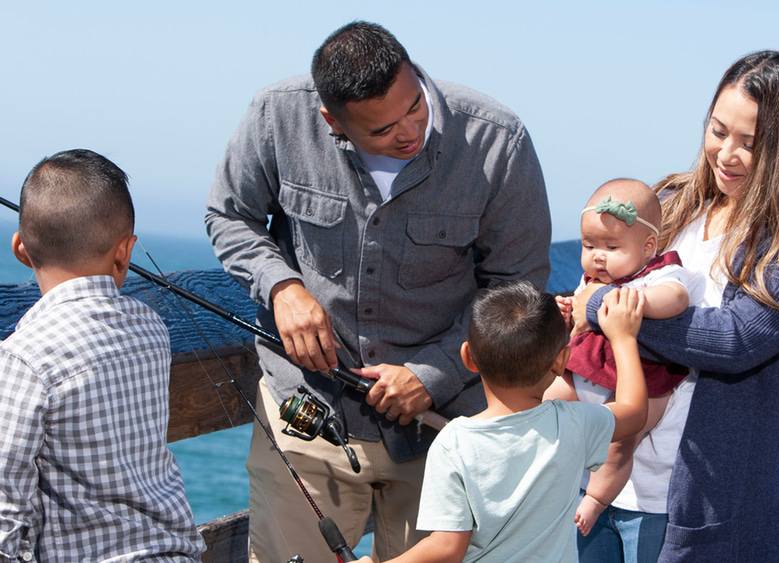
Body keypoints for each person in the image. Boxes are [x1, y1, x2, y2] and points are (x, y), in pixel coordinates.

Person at [205, 21, 551, 562]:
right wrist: (282, 288)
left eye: (415, 107)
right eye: (383, 130)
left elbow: (518, 286)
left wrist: (433, 373)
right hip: (306, 411)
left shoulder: (497, 140)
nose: (409, 132)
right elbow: (229, 216)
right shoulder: (277, 114)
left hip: (445, 434)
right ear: (330, 121)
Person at [573, 50, 779, 562]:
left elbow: (732, 340)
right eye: (718, 130)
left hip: (694, 498)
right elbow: (608, 267)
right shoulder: (671, 203)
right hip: (599, 480)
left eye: (750, 143)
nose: (726, 153)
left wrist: (600, 305)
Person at [0, 149, 205, 562]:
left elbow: (7, 509)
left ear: (20, 248)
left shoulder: (24, 358)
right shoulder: (151, 328)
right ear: (125, 251)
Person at [355, 281, 648, 563]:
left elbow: (447, 548)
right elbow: (633, 412)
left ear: (468, 357)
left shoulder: (453, 444)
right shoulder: (572, 424)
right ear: (561, 362)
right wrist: (624, 338)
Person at [545, 178, 696, 537]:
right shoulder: (591, 279)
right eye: (588, 244)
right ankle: (543, 474)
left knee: (619, 440)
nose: (598, 255)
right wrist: (569, 311)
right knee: (547, 404)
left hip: (645, 377)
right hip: (588, 368)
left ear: (647, 247)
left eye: (612, 246)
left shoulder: (664, 273)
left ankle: (596, 498)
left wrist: (635, 302)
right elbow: (582, 318)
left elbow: (676, 299)